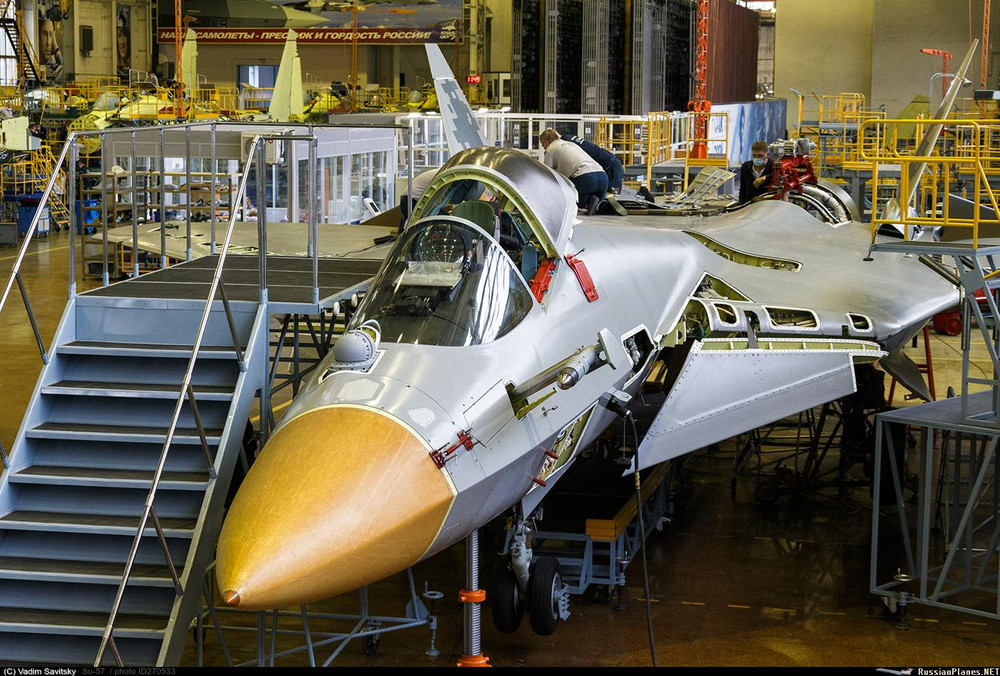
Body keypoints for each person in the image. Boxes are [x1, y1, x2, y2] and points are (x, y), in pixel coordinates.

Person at [539, 128, 625, 216]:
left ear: (546, 142)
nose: (544, 147)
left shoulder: (550, 149)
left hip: (586, 178)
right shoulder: (572, 144)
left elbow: (546, 174)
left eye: (542, 145)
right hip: (603, 177)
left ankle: (588, 200)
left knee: (567, 198)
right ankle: (602, 204)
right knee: (598, 204)